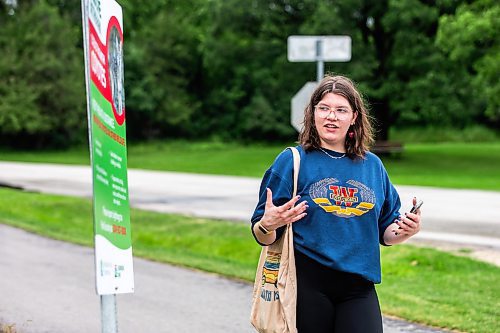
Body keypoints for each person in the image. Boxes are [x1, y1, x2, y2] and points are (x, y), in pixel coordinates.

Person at [251, 74, 421, 332]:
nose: (331, 116)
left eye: (341, 110)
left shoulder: (372, 166)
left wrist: (406, 230)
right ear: (313, 114)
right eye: (324, 109)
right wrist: (268, 223)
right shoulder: (293, 161)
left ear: (354, 117)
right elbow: (262, 235)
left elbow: (386, 231)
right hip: (306, 286)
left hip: (358, 287)